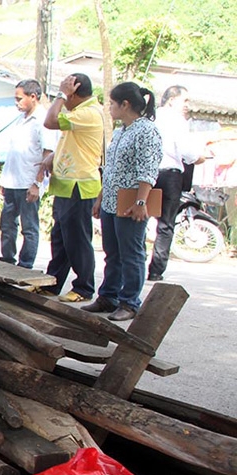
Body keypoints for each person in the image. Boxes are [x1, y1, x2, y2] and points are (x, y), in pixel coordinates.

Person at [82, 82, 163, 322]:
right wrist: (100, 198)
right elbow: (110, 170)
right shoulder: (120, 132)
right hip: (110, 200)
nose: (109, 108)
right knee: (112, 253)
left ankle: (129, 302)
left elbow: (147, 170)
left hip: (130, 201)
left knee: (131, 253)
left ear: (125, 104)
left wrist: (140, 202)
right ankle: (109, 296)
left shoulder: (146, 131)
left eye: (112, 104)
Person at [42, 73, 103, 302]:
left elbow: (49, 122)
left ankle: (84, 287)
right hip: (66, 183)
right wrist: (53, 157)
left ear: (73, 92)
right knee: (61, 238)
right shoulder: (77, 113)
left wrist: (60, 94)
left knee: (77, 238)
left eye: (67, 93)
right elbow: (72, 143)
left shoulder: (88, 113)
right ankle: (53, 282)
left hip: (80, 183)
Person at [148, 85, 206, 281]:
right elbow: (188, 152)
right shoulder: (178, 121)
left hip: (148, 174)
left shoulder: (151, 116)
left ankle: (137, 263)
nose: (187, 106)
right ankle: (156, 270)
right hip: (169, 176)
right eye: (185, 101)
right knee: (166, 224)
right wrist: (200, 157)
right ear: (172, 99)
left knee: (140, 218)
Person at [0, 79, 56, 269]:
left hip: (28, 182)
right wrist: (3, 179)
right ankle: (7, 260)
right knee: (7, 225)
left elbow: (48, 154)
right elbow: (13, 152)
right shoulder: (20, 119)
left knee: (29, 227)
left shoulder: (42, 120)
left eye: (19, 99)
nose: (16, 103)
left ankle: (25, 264)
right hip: (12, 181)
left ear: (33, 97)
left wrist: (37, 184)